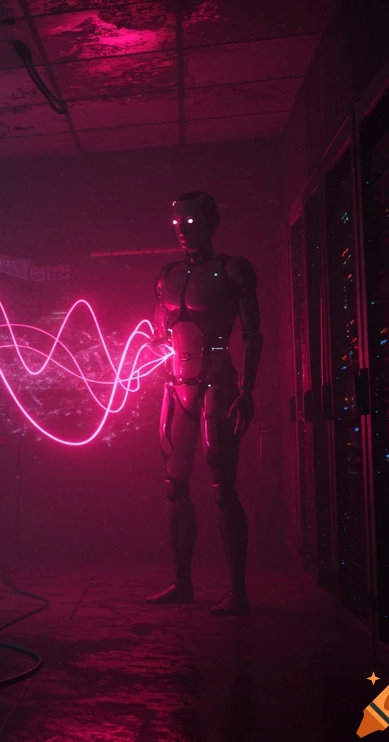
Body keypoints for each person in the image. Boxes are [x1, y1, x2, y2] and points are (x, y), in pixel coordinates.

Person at [147, 191, 263, 616]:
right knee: (174, 487)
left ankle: (238, 591)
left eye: (190, 222)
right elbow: (159, 333)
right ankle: (183, 582)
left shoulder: (232, 270)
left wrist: (247, 391)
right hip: (177, 387)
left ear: (210, 223)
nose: (182, 230)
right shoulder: (167, 275)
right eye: (177, 223)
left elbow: (253, 334)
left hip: (217, 385)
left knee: (222, 488)